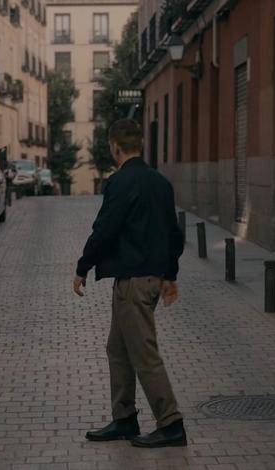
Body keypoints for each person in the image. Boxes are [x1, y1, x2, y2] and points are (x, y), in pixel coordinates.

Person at [72, 119, 186, 448]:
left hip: (134, 283)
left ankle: (171, 423)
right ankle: (124, 419)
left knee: (143, 354)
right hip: (148, 278)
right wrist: (170, 275)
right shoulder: (160, 183)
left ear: (115, 147)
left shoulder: (120, 182)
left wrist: (82, 267)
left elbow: (105, 229)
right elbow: (174, 235)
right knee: (118, 349)